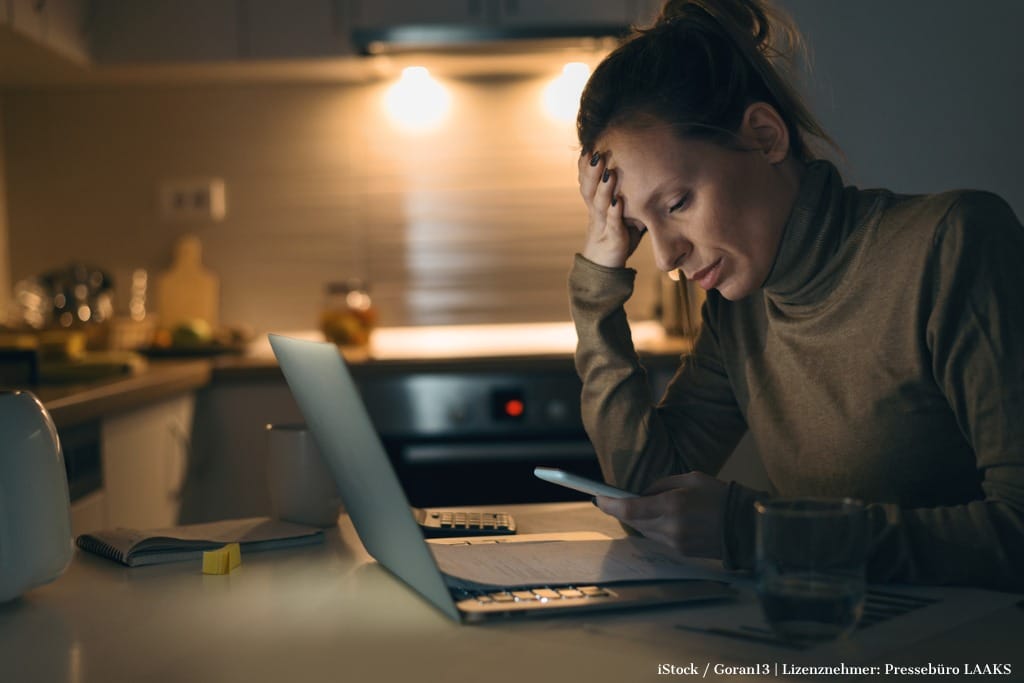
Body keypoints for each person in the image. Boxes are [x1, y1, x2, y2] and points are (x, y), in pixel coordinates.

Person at [570, 0, 1024, 591]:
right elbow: (646, 493)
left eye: (677, 204)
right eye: (639, 227)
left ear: (765, 135)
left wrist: (762, 530)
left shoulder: (954, 243)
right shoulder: (739, 308)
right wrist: (598, 284)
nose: (665, 258)